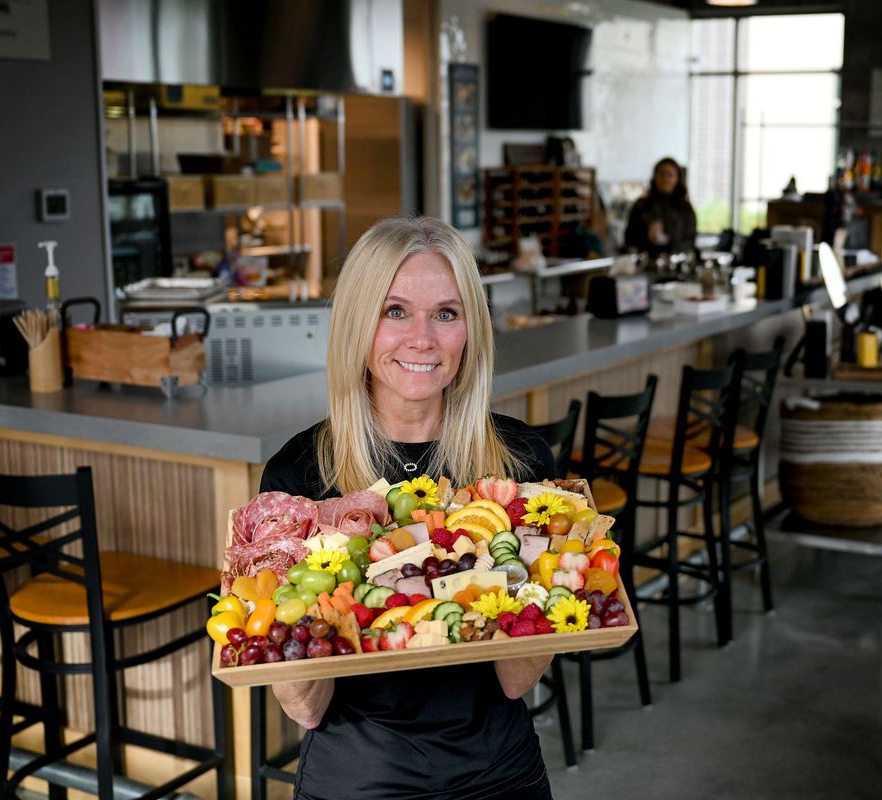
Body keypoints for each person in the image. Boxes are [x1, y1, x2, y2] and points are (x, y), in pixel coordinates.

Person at [261, 216, 557, 800]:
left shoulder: (520, 464)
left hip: (498, 773)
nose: (422, 338)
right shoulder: (298, 477)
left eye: (446, 313)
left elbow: (515, 678)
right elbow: (306, 709)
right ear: (357, 325)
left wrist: (547, 579)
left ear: (470, 329)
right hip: (356, 777)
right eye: (395, 311)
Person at [624, 157, 698, 256]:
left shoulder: (684, 208)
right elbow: (629, 239)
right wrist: (647, 236)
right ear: (654, 176)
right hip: (647, 262)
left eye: (670, 175)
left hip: (677, 262)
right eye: (661, 174)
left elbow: (690, 240)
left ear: (677, 179)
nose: (665, 179)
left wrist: (669, 243)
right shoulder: (642, 206)